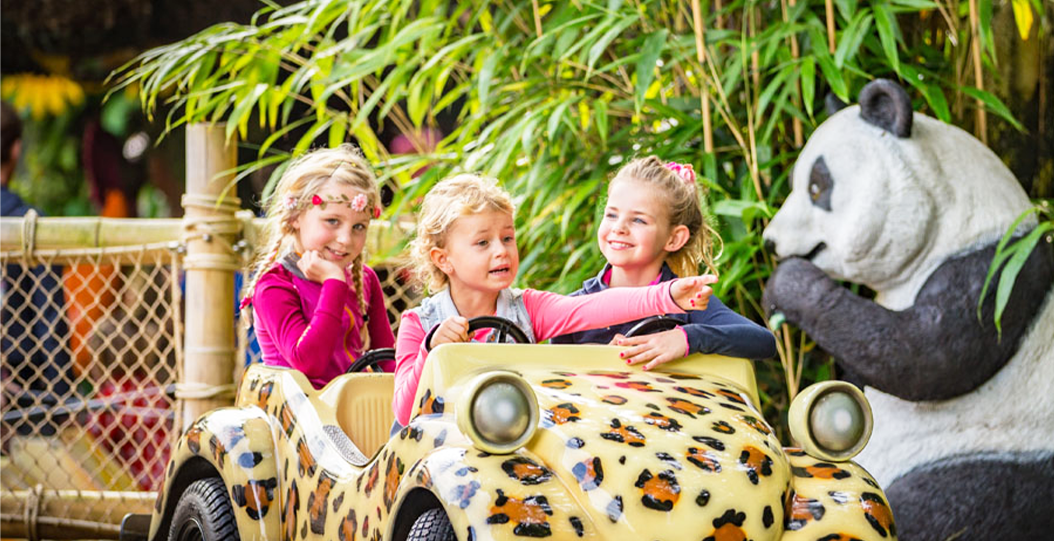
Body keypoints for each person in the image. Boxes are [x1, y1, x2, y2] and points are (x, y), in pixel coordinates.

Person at [393, 173, 716, 425]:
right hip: (437, 450)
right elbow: (405, 413)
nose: (501, 250)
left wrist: (668, 295)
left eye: (507, 238)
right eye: (482, 243)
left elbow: (593, 307)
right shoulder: (419, 324)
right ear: (443, 259)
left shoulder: (527, 308)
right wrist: (431, 349)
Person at [551, 155, 776, 367]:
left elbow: (763, 342)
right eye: (611, 215)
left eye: (638, 220)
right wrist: (597, 362)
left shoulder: (685, 302)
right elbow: (552, 383)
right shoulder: (575, 307)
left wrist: (686, 338)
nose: (618, 227)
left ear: (673, 238)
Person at [241, 145, 396, 388]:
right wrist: (334, 284)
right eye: (332, 221)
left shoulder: (365, 279)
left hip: (356, 409)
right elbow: (308, 363)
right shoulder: (274, 285)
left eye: (359, 227)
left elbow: (388, 361)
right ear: (295, 217)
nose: (345, 239)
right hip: (295, 417)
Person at [0, 101, 74, 433]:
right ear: (15, 149)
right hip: (23, 390)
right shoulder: (29, 223)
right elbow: (49, 316)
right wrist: (63, 401)